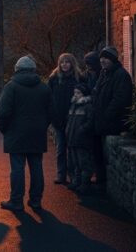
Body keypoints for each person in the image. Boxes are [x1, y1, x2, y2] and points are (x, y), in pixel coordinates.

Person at [0, 56, 51, 211]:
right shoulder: (44, 87)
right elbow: (50, 112)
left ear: (17, 69)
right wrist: (41, 126)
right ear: (34, 70)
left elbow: (3, 112)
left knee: (17, 168)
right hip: (37, 133)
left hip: (16, 133)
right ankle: (35, 200)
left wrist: (4, 129)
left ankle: (16, 201)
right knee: (36, 167)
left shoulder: (11, 87)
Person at [92, 46, 133, 189]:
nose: (102, 60)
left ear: (113, 60)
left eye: (106, 58)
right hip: (101, 122)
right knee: (98, 154)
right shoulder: (105, 73)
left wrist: (106, 115)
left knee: (105, 156)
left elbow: (120, 100)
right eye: (101, 58)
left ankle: (102, 185)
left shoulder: (121, 75)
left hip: (112, 124)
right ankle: (100, 181)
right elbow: (96, 94)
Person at [47, 53, 83, 185]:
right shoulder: (54, 78)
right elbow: (48, 97)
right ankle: (61, 174)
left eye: (67, 62)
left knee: (73, 149)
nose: (64, 65)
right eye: (62, 62)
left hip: (74, 119)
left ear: (72, 63)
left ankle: (73, 175)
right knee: (61, 149)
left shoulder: (78, 78)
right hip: (58, 119)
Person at [66, 83, 95, 194]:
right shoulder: (73, 105)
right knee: (75, 163)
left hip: (82, 140)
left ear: (84, 94)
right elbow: (69, 120)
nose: (76, 95)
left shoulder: (87, 106)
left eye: (78, 93)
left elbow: (90, 121)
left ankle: (85, 184)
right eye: (75, 93)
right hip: (72, 139)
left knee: (84, 163)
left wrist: (82, 130)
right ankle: (76, 182)